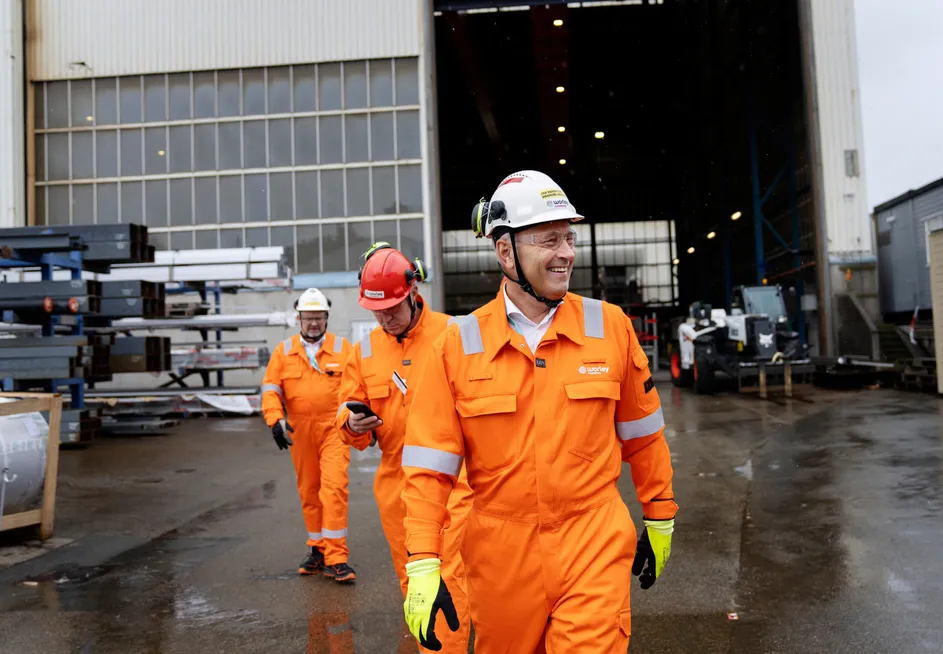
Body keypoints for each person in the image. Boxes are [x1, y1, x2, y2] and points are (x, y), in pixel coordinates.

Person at [400, 170, 677, 653]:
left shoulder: (609, 327)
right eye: (550, 239)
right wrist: (423, 561)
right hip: (500, 557)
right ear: (505, 251)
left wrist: (660, 514)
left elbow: (644, 435)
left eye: (569, 238)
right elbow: (428, 468)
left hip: (591, 540)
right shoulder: (456, 347)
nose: (567, 253)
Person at [336, 242, 474, 653]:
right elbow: (343, 416)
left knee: (447, 573)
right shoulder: (364, 352)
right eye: (376, 311)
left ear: (414, 292)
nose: (384, 318)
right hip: (397, 485)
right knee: (415, 578)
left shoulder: (453, 334)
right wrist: (353, 422)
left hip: (457, 479)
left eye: (392, 308)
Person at [261, 287, 357, 583]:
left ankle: (337, 557)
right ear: (298, 318)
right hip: (299, 431)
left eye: (319, 318)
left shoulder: (343, 349)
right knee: (309, 492)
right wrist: (275, 420)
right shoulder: (283, 351)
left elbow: (357, 388)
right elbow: (270, 390)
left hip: (334, 429)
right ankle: (317, 549)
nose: (314, 323)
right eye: (308, 318)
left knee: (334, 489)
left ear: (326, 318)